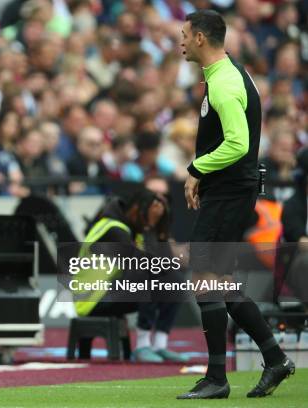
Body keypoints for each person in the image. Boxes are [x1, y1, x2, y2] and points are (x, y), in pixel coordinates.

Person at [178, 10, 294, 399]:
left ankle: (216, 378)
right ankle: (275, 359)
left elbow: (238, 144)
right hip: (231, 189)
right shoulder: (228, 75)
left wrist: (196, 169)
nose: (179, 41)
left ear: (199, 38)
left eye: (183, 34)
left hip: (230, 191)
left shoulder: (225, 83)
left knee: (205, 273)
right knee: (220, 281)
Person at [73, 188, 187, 363]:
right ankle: (142, 345)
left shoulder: (132, 229)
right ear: (136, 210)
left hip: (110, 292)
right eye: (149, 218)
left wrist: (161, 234)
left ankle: (159, 345)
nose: (149, 224)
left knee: (175, 280)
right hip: (91, 299)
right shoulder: (113, 229)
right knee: (146, 274)